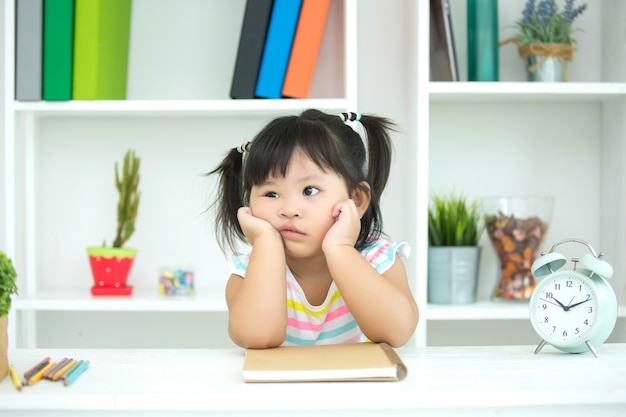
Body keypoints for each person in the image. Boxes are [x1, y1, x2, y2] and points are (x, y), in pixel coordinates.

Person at [209, 109, 418, 348]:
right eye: (271, 193)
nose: (288, 210)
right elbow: (257, 337)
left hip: (359, 385)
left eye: (310, 190)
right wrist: (267, 242)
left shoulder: (376, 259)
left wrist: (340, 248)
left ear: (357, 200)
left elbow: (398, 332)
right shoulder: (248, 272)